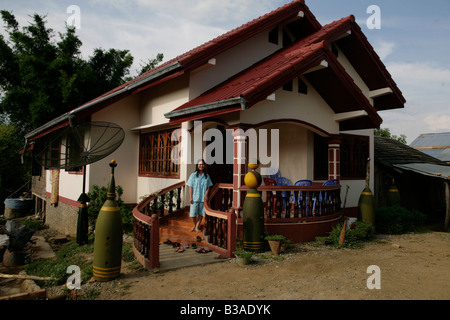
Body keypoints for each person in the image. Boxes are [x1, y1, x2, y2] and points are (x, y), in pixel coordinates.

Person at [186, 159, 213, 232]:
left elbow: (209, 186)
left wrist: (206, 194)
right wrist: (191, 197)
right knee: (193, 214)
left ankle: (197, 226)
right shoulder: (193, 175)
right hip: (195, 198)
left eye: (203, 164)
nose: (201, 166)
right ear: (197, 165)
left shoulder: (207, 176)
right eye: (200, 164)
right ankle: (194, 225)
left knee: (201, 213)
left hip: (202, 198)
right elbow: (190, 187)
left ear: (204, 165)